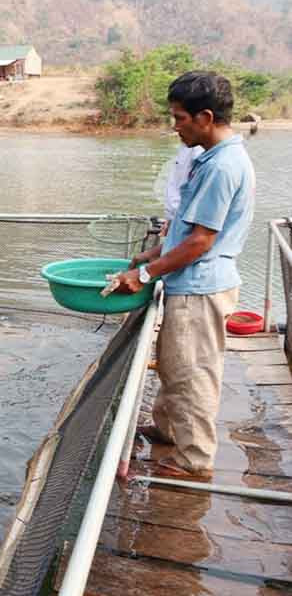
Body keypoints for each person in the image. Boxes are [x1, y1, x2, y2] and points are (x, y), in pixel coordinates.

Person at [115, 71, 255, 479]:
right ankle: (168, 430)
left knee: (192, 373)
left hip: (200, 288)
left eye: (179, 118)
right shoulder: (209, 159)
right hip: (190, 283)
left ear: (205, 117)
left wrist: (144, 274)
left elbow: (200, 242)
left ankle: (194, 460)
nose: (175, 126)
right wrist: (150, 254)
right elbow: (186, 230)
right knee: (175, 365)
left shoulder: (222, 166)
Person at [162, 142, 204, 236]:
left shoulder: (198, 149)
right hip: (176, 220)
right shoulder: (186, 146)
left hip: (185, 223)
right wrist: (170, 219)